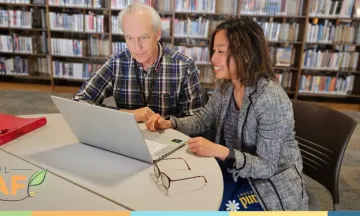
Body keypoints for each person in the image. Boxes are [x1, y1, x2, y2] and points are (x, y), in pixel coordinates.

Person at [145, 17, 309, 211]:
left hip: (268, 186)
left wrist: (219, 151)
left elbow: (267, 166)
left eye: (221, 52)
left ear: (245, 55)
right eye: (214, 50)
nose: (213, 58)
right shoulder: (227, 86)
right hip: (236, 170)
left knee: (210, 206)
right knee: (185, 193)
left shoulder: (270, 99)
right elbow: (203, 119)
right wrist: (170, 124)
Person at [73, 2, 203, 122]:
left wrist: (169, 123)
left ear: (158, 34)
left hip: (169, 140)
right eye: (129, 38)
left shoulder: (184, 66)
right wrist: (129, 114)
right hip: (126, 139)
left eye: (143, 37)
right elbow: (79, 101)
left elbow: (195, 121)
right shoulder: (116, 63)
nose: (136, 47)